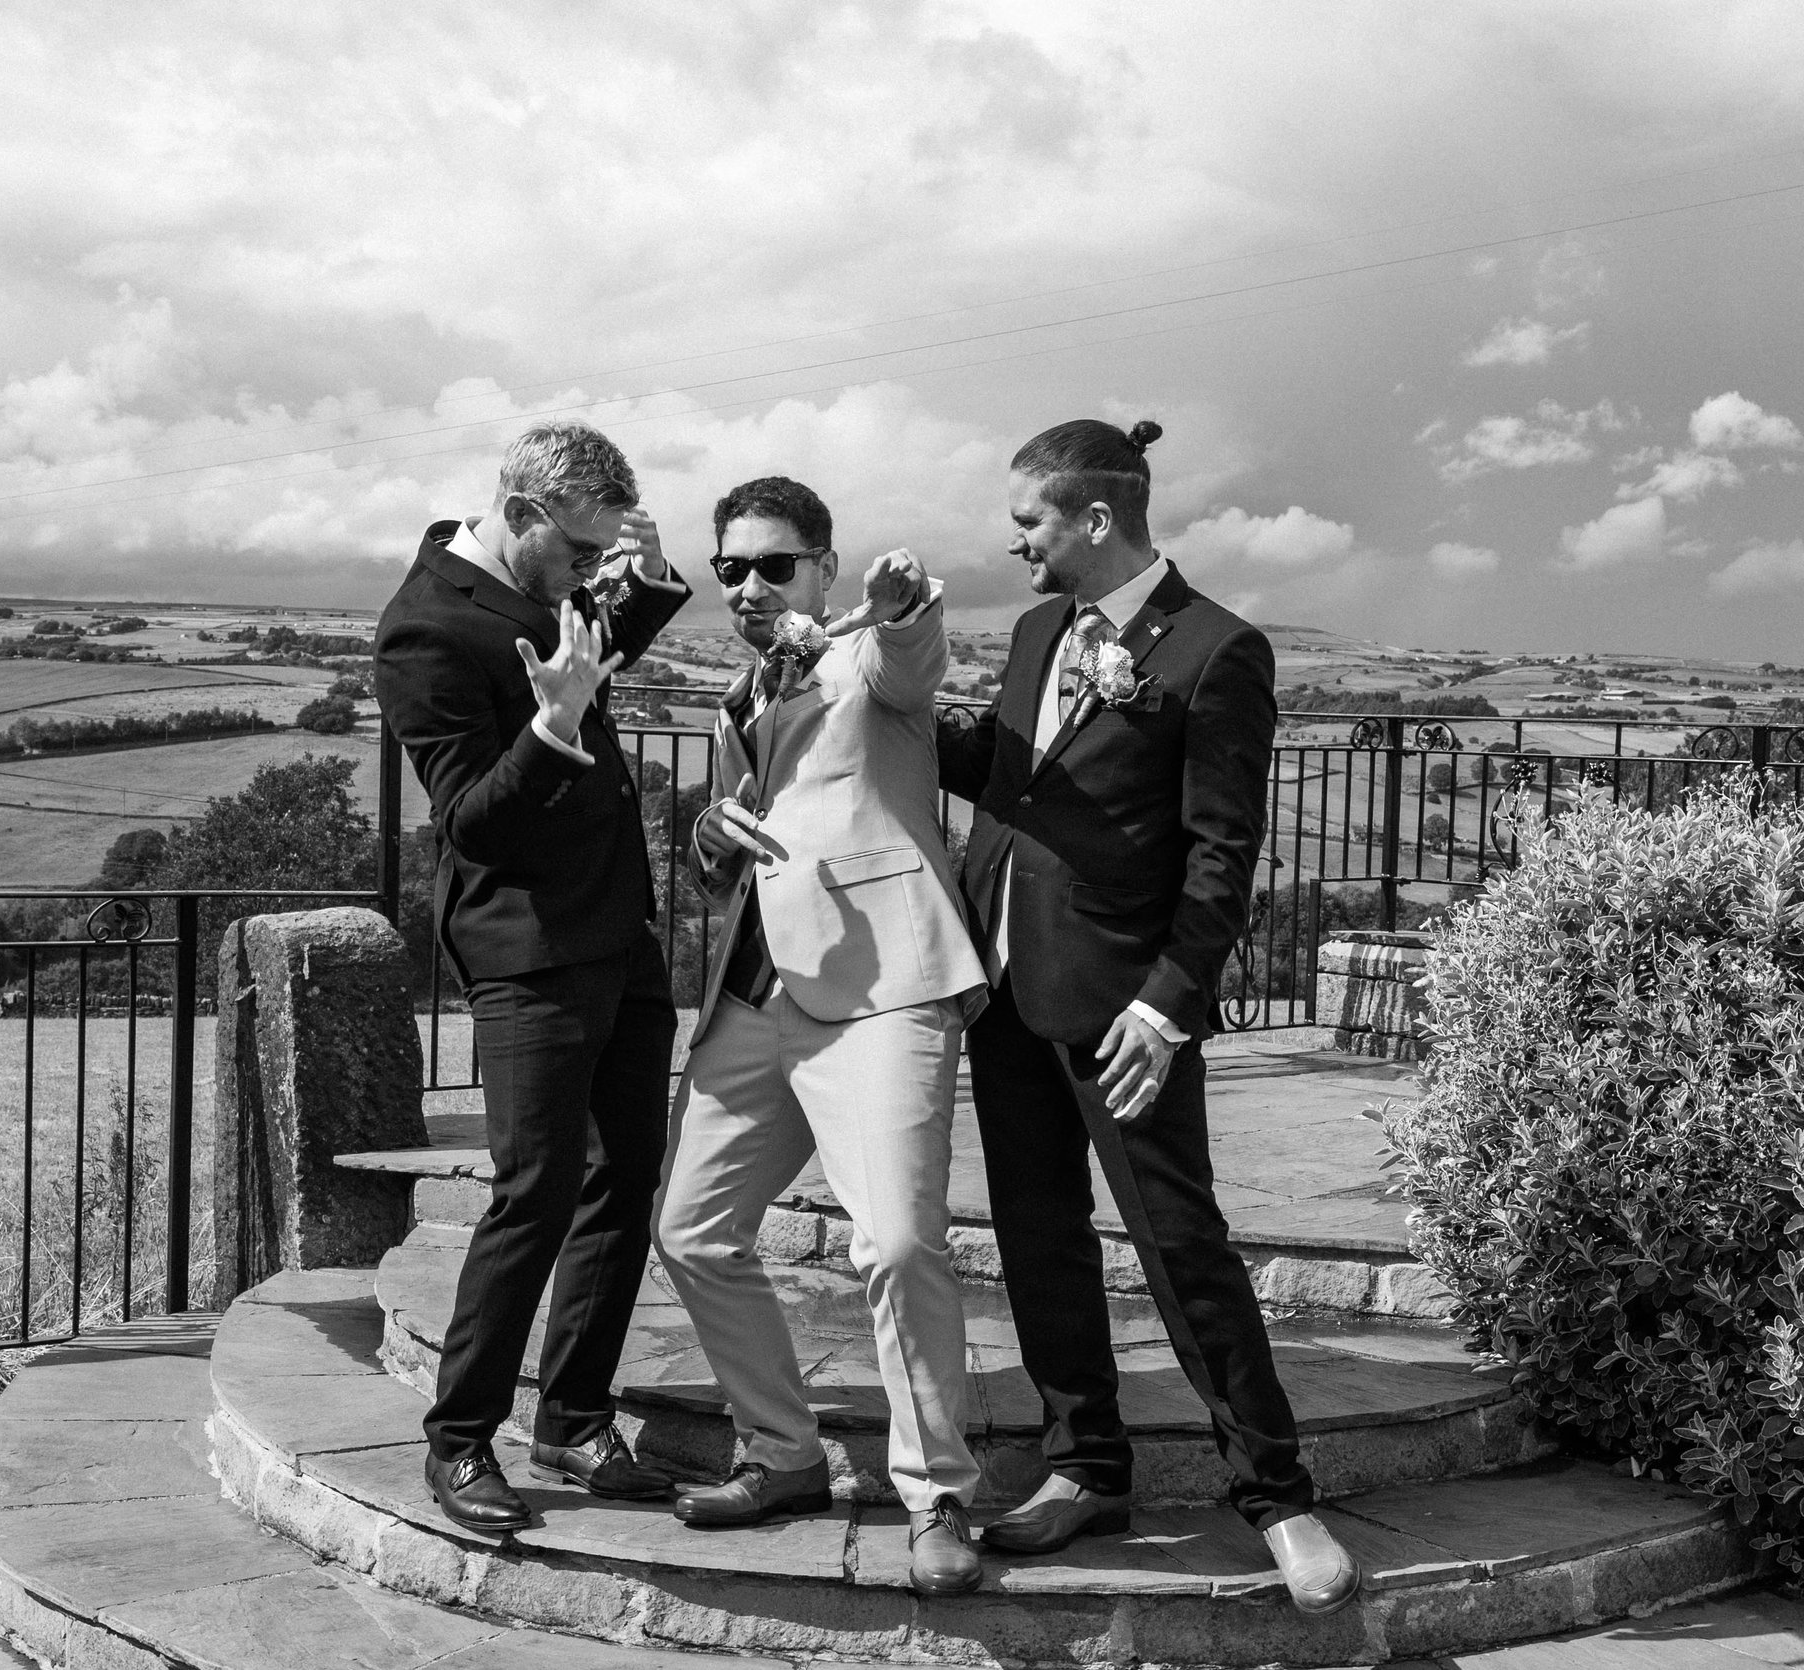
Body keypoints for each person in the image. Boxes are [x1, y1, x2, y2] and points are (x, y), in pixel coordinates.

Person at [934, 418, 1361, 1613]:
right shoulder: (1034, 632)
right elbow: (1015, 781)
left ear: (1094, 520)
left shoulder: (1220, 649)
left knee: (1181, 1247)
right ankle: (1084, 1463)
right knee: (1037, 1233)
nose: (1012, 543)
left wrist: (1167, 1005)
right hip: (1007, 991)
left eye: (1027, 522)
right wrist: (902, 701)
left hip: (1124, 1008)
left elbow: (1222, 853)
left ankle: (1276, 1494)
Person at [652, 477, 989, 1597]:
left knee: (896, 1242)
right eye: (730, 568)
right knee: (693, 1230)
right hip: (755, 996)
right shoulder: (737, 693)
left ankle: (935, 1494)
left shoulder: (868, 664)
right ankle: (783, 1450)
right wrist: (708, 834)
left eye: (774, 565)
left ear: (823, 567)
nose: (749, 585)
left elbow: (915, 660)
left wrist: (905, 606)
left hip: (885, 986)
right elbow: (743, 845)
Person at [372, 420, 690, 1534]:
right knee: (536, 1188)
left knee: (625, 1177)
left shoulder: (538, 582)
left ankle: (573, 1417)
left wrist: (640, 583)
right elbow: (470, 820)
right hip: (525, 943)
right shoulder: (425, 630)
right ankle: (458, 1440)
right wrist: (555, 721)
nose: (585, 578)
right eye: (577, 554)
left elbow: (591, 644)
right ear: (519, 518)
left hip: (618, 930)